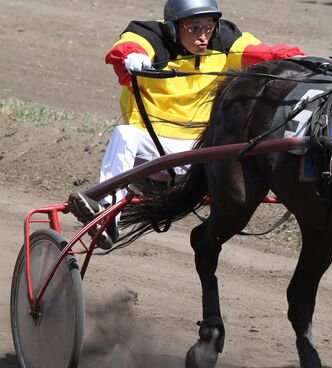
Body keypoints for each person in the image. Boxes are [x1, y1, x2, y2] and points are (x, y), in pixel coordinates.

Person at [68, 0, 304, 249]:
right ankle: (106, 215)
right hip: (155, 154)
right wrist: (133, 57)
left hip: (204, 153)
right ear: (173, 27)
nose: (203, 36)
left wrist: (298, 59)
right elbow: (128, 47)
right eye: (194, 28)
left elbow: (262, 53)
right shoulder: (147, 35)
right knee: (125, 134)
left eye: (208, 26)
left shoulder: (226, 38)